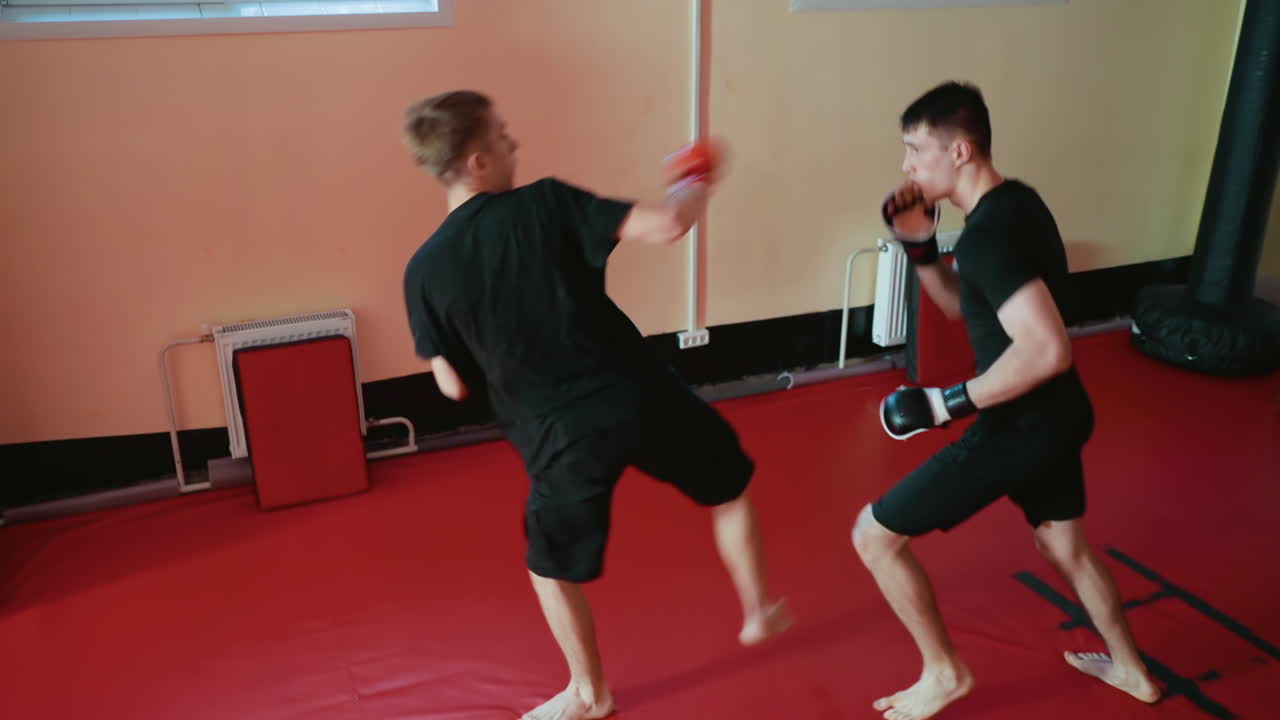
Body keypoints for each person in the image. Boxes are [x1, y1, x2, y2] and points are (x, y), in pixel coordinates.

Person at [399, 90, 791, 720]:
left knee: (548, 566)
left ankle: (588, 692)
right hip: (640, 394)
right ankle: (757, 611)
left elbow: (451, 385)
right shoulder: (546, 202)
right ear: (475, 160)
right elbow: (668, 225)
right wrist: (695, 178)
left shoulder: (422, 272)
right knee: (729, 488)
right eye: (501, 136)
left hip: (560, 435)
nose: (513, 144)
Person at [852, 81, 1161, 720]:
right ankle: (1131, 669)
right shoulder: (1015, 206)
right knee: (1064, 549)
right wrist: (919, 247)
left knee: (874, 536)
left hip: (1021, 425)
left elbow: (1047, 349)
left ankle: (944, 672)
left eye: (916, 150)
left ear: (960, 151)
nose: (907, 165)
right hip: (1057, 413)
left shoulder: (989, 236)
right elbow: (961, 308)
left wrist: (945, 406)